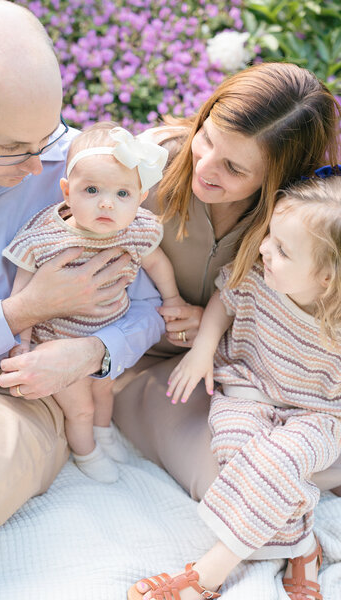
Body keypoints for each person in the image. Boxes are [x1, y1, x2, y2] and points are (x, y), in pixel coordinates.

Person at [0, 0, 164, 566]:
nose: (41, 166)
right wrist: (22, 310)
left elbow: (147, 304)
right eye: (13, 149)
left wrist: (91, 351)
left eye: (49, 135)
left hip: (9, 394)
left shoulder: (88, 173)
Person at [111, 63, 341, 596]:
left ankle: (277, 496)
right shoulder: (146, 165)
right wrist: (164, 319)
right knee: (227, 483)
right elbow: (78, 254)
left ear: (279, 179)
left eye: (235, 168)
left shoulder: (299, 221)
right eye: (207, 139)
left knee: (274, 466)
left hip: (277, 384)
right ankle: (296, 536)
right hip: (173, 373)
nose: (206, 168)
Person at [135, 175, 341, 600]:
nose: (265, 248)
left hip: (320, 415)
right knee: (234, 451)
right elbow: (224, 302)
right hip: (247, 388)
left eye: (283, 250)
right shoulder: (257, 277)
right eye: (271, 237)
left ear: (325, 278)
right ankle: (303, 547)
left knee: (279, 458)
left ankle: (206, 576)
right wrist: (202, 351)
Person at [3, 123, 184, 483]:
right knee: (81, 407)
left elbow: (156, 262)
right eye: (92, 190)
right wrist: (20, 340)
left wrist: (173, 297)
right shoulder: (46, 236)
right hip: (56, 340)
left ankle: (103, 433)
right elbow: (23, 291)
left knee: (104, 391)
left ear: (139, 197)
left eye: (122, 193)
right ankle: (86, 453)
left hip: (106, 334)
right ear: (67, 193)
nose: (107, 203)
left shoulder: (134, 229)